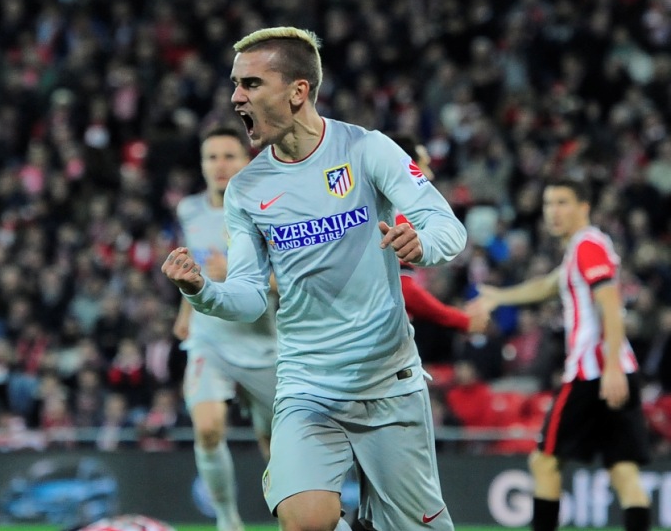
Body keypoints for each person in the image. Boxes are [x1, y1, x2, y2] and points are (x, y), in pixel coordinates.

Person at [162, 27, 467, 531]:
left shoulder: (368, 150)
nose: (236, 97)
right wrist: (202, 291)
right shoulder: (247, 189)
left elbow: (447, 227)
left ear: (298, 91)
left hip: (387, 382)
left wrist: (423, 244)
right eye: (236, 84)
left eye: (251, 84)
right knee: (304, 521)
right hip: (307, 384)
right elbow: (249, 297)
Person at [468, 178, 652, 531]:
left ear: (584, 207)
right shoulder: (584, 247)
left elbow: (611, 306)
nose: (553, 211)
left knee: (545, 462)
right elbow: (549, 285)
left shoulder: (587, 246)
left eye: (562, 203)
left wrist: (611, 369)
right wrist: (500, 297)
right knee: (623, 470)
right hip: (616, 369)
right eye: (549, 204)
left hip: (593, 373)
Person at [172, 126, 278, 531]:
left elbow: (293, 281)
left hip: (264, 343)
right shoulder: (189, 210)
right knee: (208, 429)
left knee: (276, 448)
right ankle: (227, 520)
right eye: (211, 157)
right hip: (209, 341)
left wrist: (233, 272)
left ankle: (295, 517)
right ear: (201, 165)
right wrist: (186, 310)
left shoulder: (270, 209)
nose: (220, 165)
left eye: (229, 156)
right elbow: (195, 265)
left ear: (246, 161)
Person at [388, 134, 489, 335]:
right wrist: (462, 320)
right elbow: (403, 289)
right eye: (422, 166)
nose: (430, 176)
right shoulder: (396, 217)